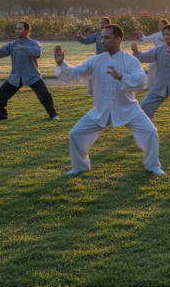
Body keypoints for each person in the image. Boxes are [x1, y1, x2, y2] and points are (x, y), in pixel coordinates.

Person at [53, 24, 164, 175]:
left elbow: (139, 81)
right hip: (101, 109)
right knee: (75, 133)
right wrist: (61, 63)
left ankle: (153, 166)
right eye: (101, 38)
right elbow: (75, 74)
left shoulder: (130, 61)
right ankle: (80, 166)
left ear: (118, 39)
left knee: (150, 131)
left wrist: (121, 77)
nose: (102, 41)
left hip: (128, 108)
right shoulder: (95, 60)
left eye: (106, 38)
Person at [0, 21, 59, 121]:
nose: (17, 31)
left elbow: (38, 52)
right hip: (16, 76)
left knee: (45, 95)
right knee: (0, 95)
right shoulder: (12, 45)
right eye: (16, 29)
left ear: (27, 31)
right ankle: (1, 116)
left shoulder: (34, 43)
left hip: (32, 76)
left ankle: (54, 115)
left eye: (20, 29)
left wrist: (24, 48)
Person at [76, 16, 110, 96]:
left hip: (109, 59)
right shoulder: (98, 35)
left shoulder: (112, 35)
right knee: (91, 73)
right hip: (99, 59)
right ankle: (91, 92)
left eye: (103, 23)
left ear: (108, 24)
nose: (101, 25)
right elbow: (88, 41)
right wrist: (80, 38)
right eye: (100, 23)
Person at [135, 19, 170, 89]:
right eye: (159, 25)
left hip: (165, 55)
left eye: (161, 25)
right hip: (156, 55)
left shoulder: (169, 35)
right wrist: (141, 35)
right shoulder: (156, 35)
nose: (159, 27)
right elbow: (146, 39)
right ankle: (150, 86)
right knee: (151, 67)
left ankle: (166, 86)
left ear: (165, 26)